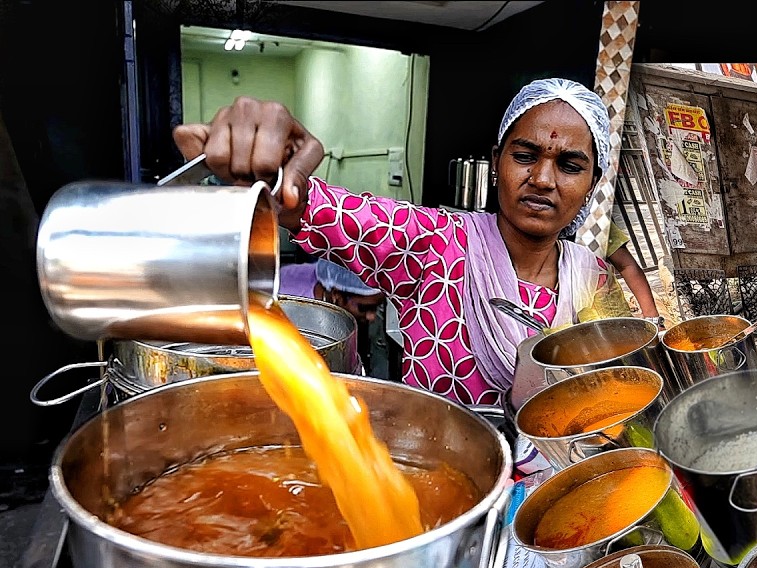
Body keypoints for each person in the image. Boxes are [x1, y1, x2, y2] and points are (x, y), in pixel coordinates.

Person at [173, 78, 614, 410]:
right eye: (524, 155)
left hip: (556, 504)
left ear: (592, 183)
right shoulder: (435, 244)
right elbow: (311, 206)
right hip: (440, 492)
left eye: (570, 165)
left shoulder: (595, 280)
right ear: (496, 161)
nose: (541, 179)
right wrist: (266, 169)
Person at [279, 258, 387, 373]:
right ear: (336, 295)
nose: (372, 317)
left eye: (378, 307)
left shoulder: (333, 272)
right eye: (364, 308)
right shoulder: (289, 310)